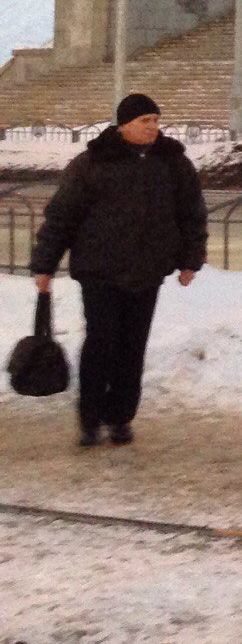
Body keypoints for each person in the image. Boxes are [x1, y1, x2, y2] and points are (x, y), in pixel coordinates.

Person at [29, 94, 207, 447]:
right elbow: (62, 216)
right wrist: (44, 264)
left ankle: (121, 417)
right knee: (101, 344)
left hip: (146, 271)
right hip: (100, 271)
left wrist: (190, 259)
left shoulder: (172, 162)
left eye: (156, 121)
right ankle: (90, 420)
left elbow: (191, 213)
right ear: (124, 124)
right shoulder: (93, 161)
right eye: (145, 121)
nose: (153, 128)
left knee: (132, 348)